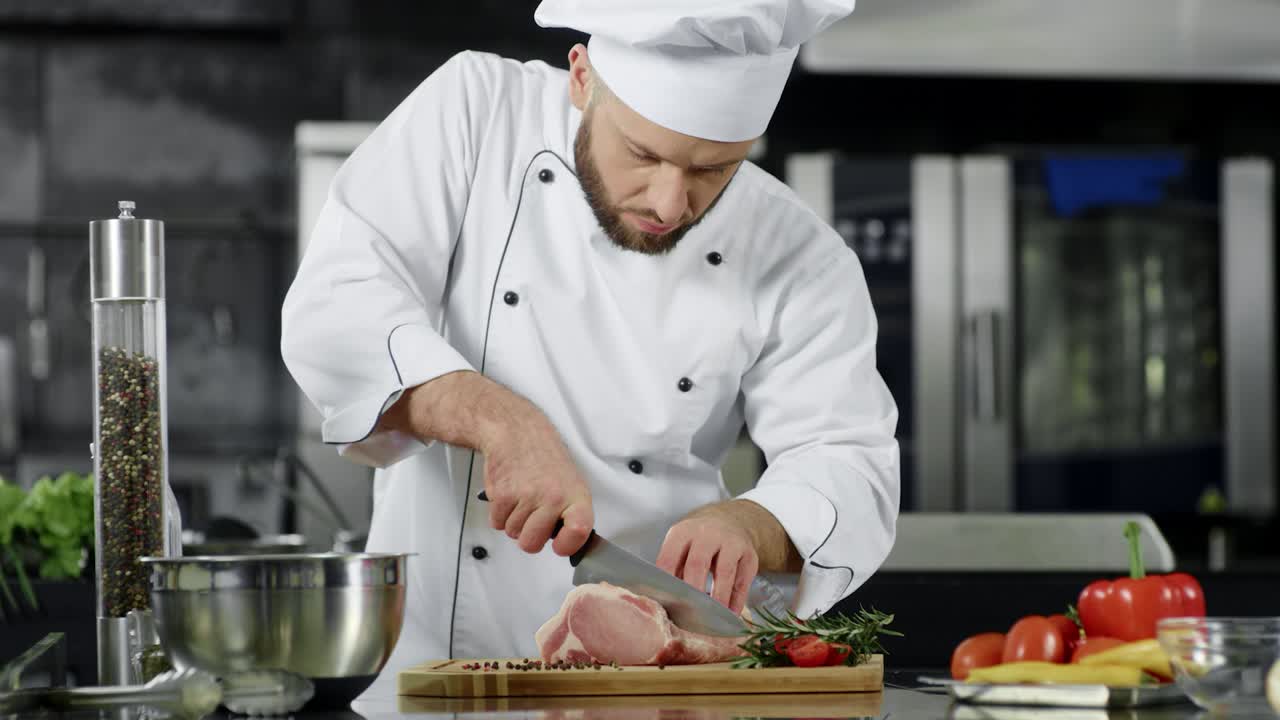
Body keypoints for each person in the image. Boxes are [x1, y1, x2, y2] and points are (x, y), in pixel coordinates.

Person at [281, 0, 899, 699]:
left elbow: (850, 459)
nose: (670, 202)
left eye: (714, 170)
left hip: (647, 690)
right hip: (431, 676)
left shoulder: (800, 253)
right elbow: (338, 302)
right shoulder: (478, 112)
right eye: (643, 153)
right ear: (582, 77)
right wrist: (498, 421)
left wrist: (754, 523)